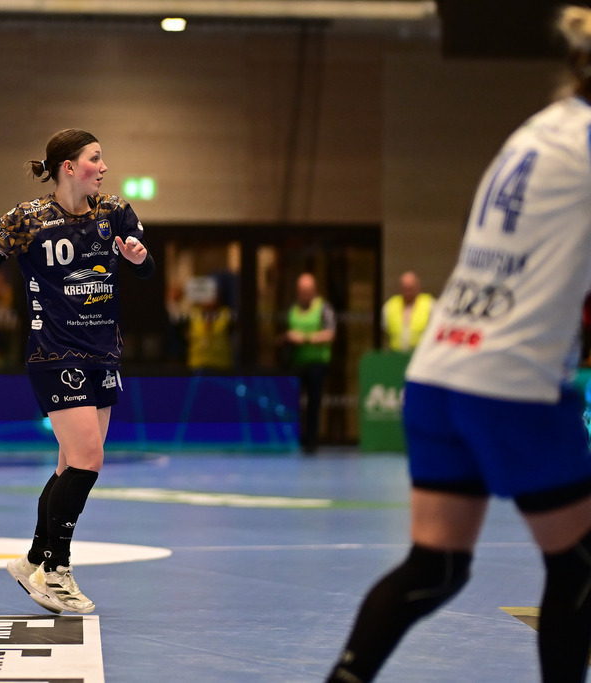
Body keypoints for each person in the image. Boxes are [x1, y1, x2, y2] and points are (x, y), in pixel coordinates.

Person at [328, 7, 591, 681]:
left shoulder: (540, 129)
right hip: (513, 382)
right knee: (580, 564)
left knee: (436, 565)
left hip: (440, 371)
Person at [0, 128, 154, 614]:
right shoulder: (27, 219)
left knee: (72, 465)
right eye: (95, 158)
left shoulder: (115, 212)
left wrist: (139, 258)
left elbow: (145, 266)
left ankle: (32, 560)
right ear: (69, 166)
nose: (104, 168)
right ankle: (56, 570)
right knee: (88, 459)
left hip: (102, 354)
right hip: (55, 355)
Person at [282, 272, 335, 454]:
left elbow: (330, 333)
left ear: (314, 290)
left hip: (317, 363)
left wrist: (305, 338)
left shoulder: (324, 308)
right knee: (294, 404)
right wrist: (289, 337)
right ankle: (295, 439)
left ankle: (311, 443)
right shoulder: (292, 309)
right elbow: (286, 332)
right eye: (301, 291)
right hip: (296, 363)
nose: (304, 294)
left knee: (313, 403)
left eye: (308, 290)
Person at [381, 270, 435, 352]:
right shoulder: (389, 306)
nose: (408, 292)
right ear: (400, 288)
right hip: (396, 354)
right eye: (405, 288)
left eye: (410, 288)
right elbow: (384, 333)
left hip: (420, 354)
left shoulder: (430, 305)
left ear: (418, 287)